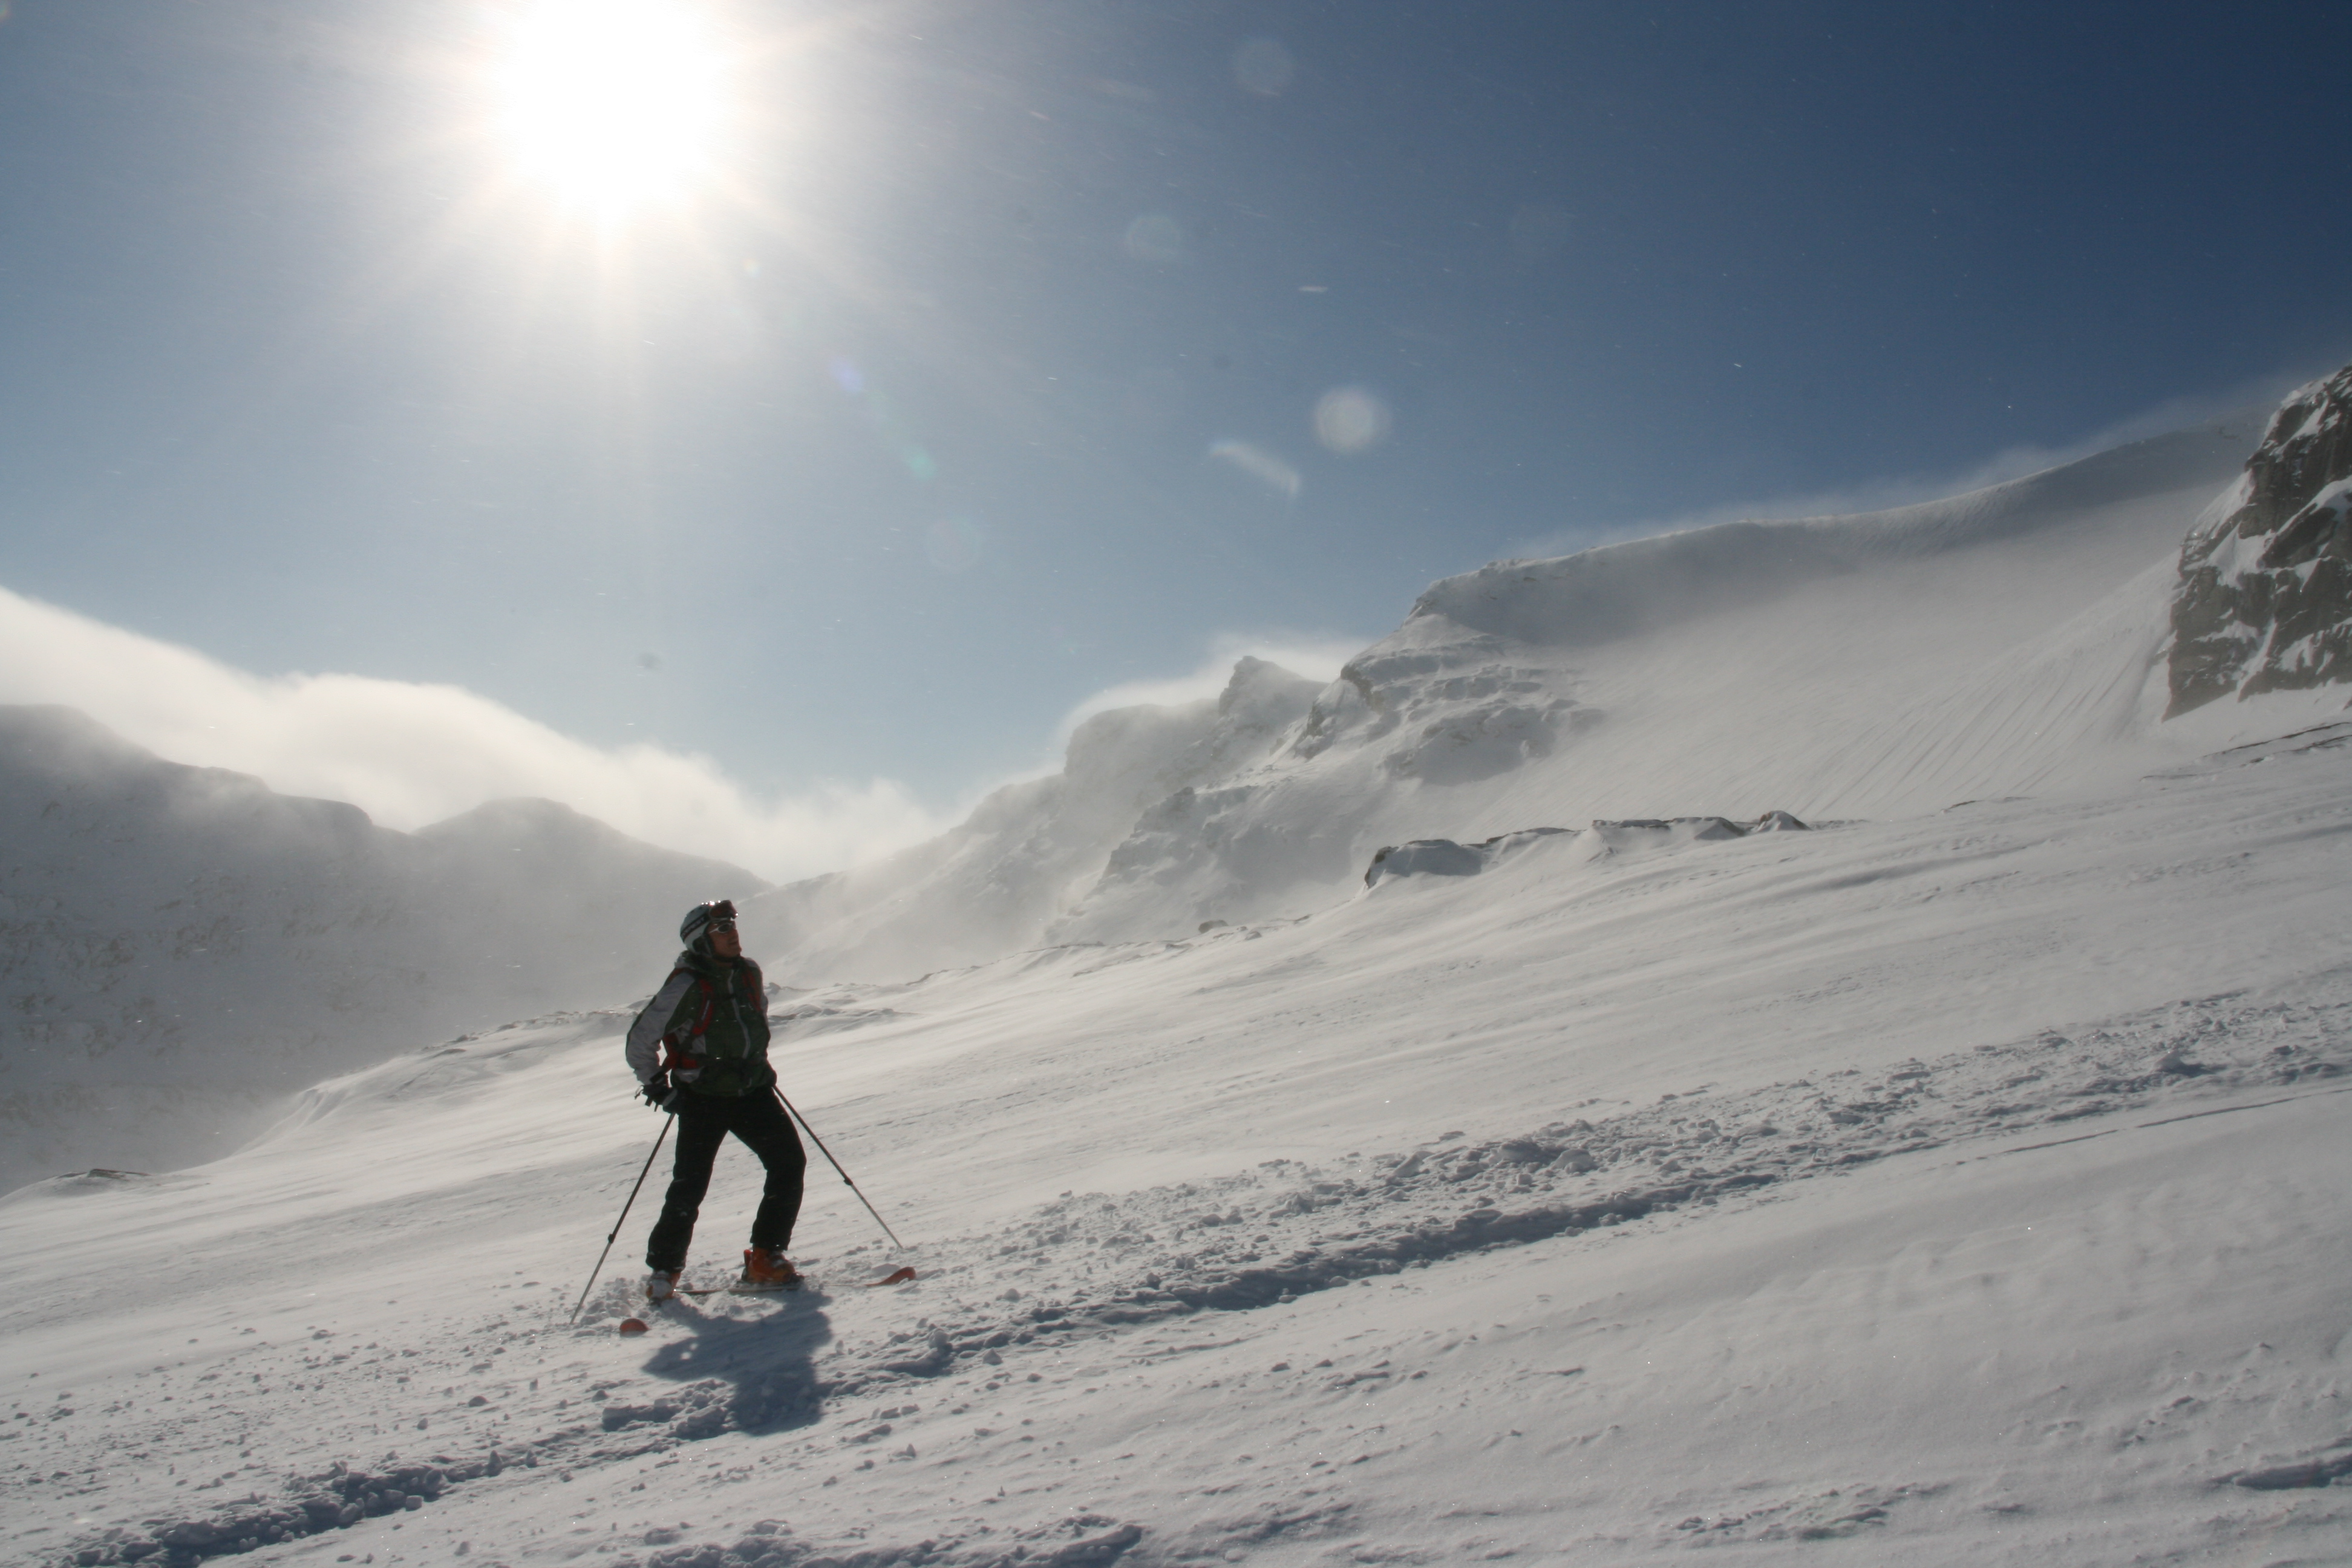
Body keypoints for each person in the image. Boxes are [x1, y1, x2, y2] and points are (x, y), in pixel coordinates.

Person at [624, 899, 807, 1299]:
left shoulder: (749, 973)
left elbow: (754, 1021)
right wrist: (658, 1087)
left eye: (732, 925)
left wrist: (756, 1065)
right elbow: (641, 1039)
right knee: (690, 1186)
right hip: (703, 1096)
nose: (732, 933)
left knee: (788, 1164)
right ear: (701, 941)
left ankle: (765, 1258)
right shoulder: (685, 984)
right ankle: (664, 1271)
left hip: (751, 1090)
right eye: (721, 928)